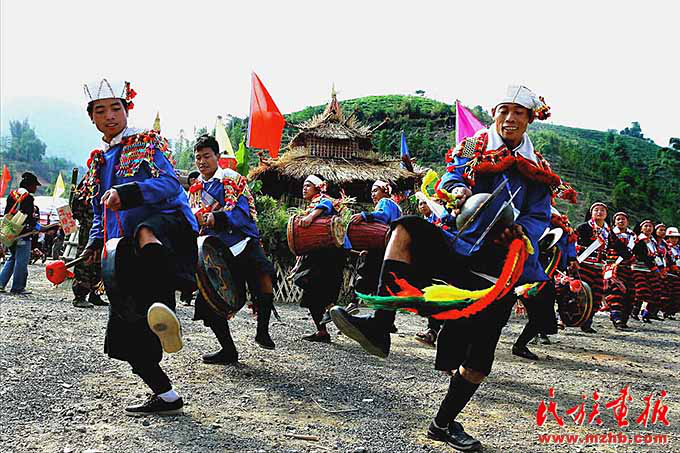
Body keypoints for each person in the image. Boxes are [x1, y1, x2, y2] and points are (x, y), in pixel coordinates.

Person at [331, 85, 558, 450]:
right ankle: (379, 325)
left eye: (518, 112)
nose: (510, 118)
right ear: (495, 114)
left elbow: (538, 216)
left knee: (477, 361)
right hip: (459, 245)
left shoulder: (539, 169)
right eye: (504, 110)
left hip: (500, 266)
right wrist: (457, 191)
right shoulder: (473, 146)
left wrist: (520, 233)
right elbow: (452, 176)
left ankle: (443, 424)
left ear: (530, 119)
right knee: (405, 228)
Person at [79, 78, 198, 416]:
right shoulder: (99, 161)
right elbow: (100, 211)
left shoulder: (146, 142)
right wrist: (94, 244)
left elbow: (171, 184)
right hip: (124, 249)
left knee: (146, 230)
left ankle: (169, 301)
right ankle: (166, 395)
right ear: (92, 118)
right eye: (100, 111)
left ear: (126, 110)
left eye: (115, 108)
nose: (109, 116)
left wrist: (129, 193)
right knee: (126, 334)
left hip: (166, 230)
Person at [189, 134, 276, 364]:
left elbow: (242, 212)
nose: (202, 161)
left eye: (206, 156)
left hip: (241, 242)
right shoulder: (195, 189)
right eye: (198, 157)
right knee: (208, 301)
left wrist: (215, 218)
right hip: (213, 251)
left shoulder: (232, 179)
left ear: (217, 156)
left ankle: (263, 331)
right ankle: (228, 350)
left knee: (264, 275)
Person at [292, 175, 348, 343]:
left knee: (320, 285)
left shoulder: (323, 200)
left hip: (330, 253)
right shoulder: (311, 206)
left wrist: (311, 217)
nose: (304, 188)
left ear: (317, 188)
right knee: (310, 294)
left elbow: (326, 204)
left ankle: (332, 309)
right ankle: (322, 332)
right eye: (303, 185)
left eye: (308, 185)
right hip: (318, 253)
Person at [340, 181, 402, 323]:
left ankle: (353, 304)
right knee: (384, 284)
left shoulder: (385, 202)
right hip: (390, 249)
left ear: (385, 191)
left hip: (381, 248)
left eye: (375, 190)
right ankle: (386, 321)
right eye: (371, 192)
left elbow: (383, 215)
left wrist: (364, 215)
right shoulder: (397, 208)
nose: (372, 195)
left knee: (365, 274)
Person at [0, 172, 55, 294]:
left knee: (12, 258)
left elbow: (7, 213)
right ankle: (18, 287)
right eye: (35, 185)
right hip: (23, 234)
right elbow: (29, 218)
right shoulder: (28, 198)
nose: (35, 188)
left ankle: (1, 283)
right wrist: (40, 228)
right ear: (29, 185)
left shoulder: (12, 194)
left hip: (10, 232)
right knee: (21, 261)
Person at [71, 179, 107, 308]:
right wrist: (85, 221)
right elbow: (76, 205)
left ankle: (95, 293)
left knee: (100, 261)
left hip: (104, 228)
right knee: (85, 261)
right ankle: (79, 295)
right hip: (89, 228)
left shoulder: (108, 179)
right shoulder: (89, 181)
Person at [575, 202, 610, 333]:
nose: (599, 212)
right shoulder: (583, 227)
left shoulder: (608, 232)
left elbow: (617, 247)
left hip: (599, 268)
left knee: (596, 295)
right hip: (583, 265)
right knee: (578, 292)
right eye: (596, 210)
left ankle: (587, 322)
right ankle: (564, 319)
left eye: (602, 210)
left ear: (606, 214)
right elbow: (574, 243)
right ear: (591, 213)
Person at [603, 211, 636, 330]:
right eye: (618, 219)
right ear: (614, 222)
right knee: (616, 292)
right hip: (614, 267)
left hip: (628, 268)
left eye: (623, 219)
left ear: (627, 221)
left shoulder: (633, 237)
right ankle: (616, 317)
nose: (621, 221)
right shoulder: (609, 234)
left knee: (630, 293)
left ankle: (624, 318)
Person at [631, 220, 662, 323]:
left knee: (657, 290)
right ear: (641, 229)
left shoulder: (653, 242)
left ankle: (647, 313)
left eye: (650, 226)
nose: (648, 228)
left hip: (651, 269)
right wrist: (653, 267)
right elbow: (642, 255)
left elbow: (657, 256)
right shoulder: (638, 240)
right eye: (646, 226)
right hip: (638, 268)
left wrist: (661, 268)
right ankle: (634, 311)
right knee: (641, 290)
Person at [664, 226, 680, 320]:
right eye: (672, 237)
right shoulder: (665, 247)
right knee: (669, 293)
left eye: (676, 237)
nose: (674, 239)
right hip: (669, 273)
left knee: (677, 294)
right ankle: (666, 311)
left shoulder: (678, 248)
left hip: (678, 273)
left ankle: (672, 312)